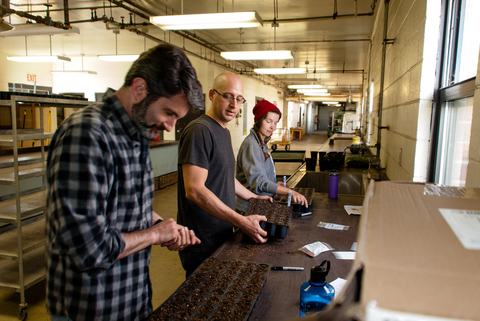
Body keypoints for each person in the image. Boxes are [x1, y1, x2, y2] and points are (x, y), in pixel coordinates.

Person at [46, 44, 203, 321]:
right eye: (168, 113)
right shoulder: (87, 135)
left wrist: (160, 225)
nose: (169, 126)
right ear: (140, 89)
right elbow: (89, 250)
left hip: (131, 301)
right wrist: (155, 235)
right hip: (92, 309)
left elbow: (129, 208)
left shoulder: (136, 133)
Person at [177, 71, 270, 277]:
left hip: (221, 231)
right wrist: (240, 220)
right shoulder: (199, 131)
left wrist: (253, 196)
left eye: (239, 99)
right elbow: (194, 190)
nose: (233, 105)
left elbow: (225, 175)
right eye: (227, 96)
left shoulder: (223, 131)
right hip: (201, 237)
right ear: (211, 95)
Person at [236, 99, 308, 212]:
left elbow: (261, 175)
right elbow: (258, 183)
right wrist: (290, 192)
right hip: (249, 208)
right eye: (269, 121)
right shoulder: (251, 144)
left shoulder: (262, 143)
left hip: (261, 204)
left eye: (275, 123)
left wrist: (274, 185)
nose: (273, 127)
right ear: (259, 120)